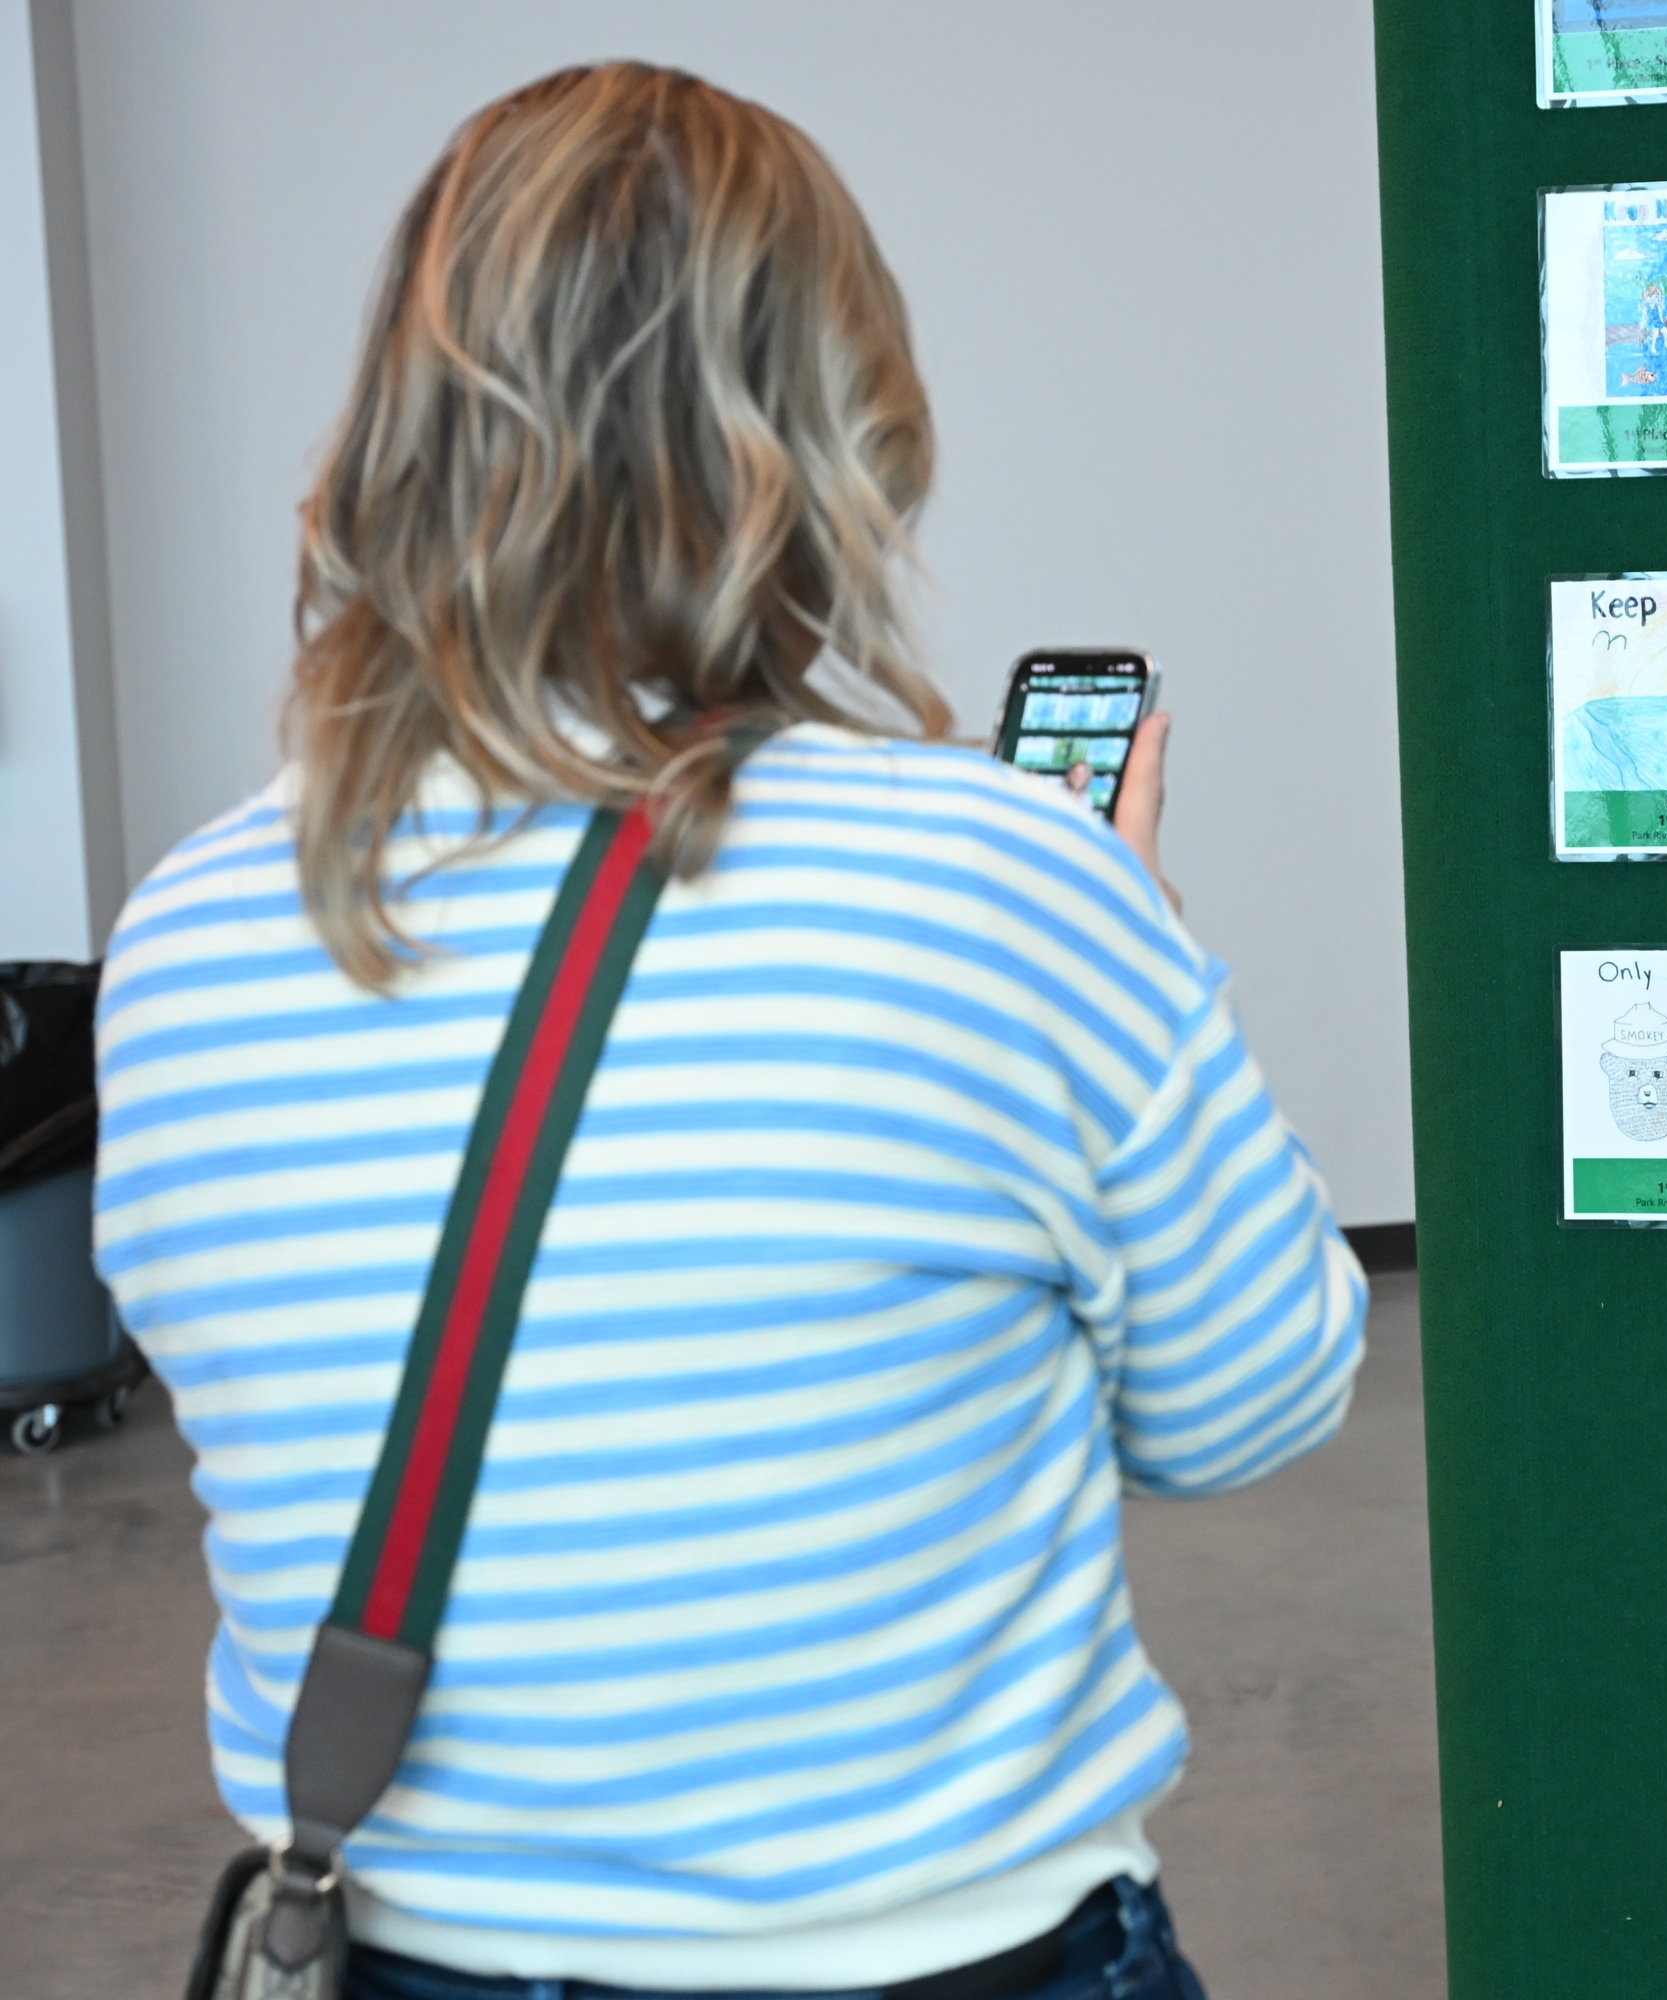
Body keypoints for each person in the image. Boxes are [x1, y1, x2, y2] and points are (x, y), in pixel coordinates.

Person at [91, 64, 1364, 2000]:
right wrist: (1142, 948)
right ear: (843, 429)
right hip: (954, 1955)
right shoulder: (1007, 882)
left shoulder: (193, 927)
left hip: (409, 1947)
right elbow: (1248, 1399)